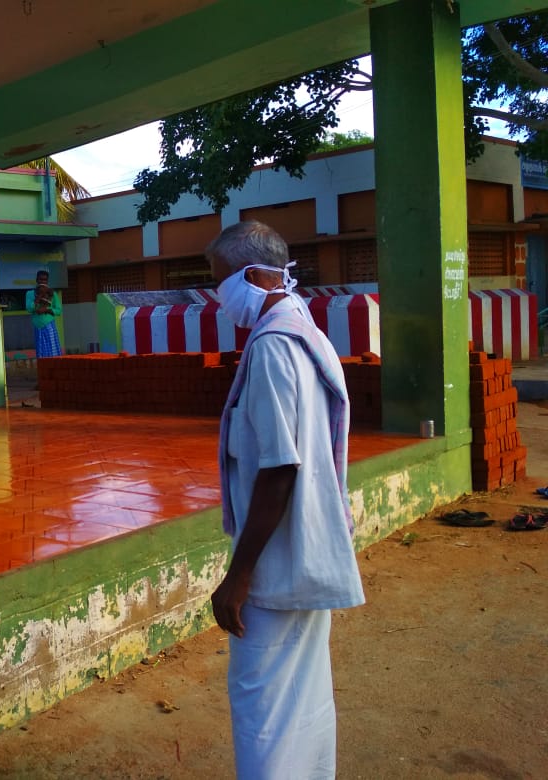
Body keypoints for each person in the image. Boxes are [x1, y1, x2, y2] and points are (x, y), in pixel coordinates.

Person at [207, 221, 365, 779]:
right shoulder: (305, 328)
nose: (219, 295)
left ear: (252, 277)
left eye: (221, 281)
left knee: (263, 711)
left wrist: (239, 576)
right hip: (308, 545)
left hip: (273, 565)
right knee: (304, 692)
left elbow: (280, 468)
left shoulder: (274, 345)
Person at [25, 269, 63, 358]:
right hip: (37, 327)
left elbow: (58, 310)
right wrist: (39, 297)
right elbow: (29, 309)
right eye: (40, 279)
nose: (42, 282)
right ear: (36, 280)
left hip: (49, 326)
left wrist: (46, 310)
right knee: (41, 353)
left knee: (53, 352)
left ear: (47, 281)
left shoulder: (52, 294)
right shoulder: (30, 294)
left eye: (45, 280)